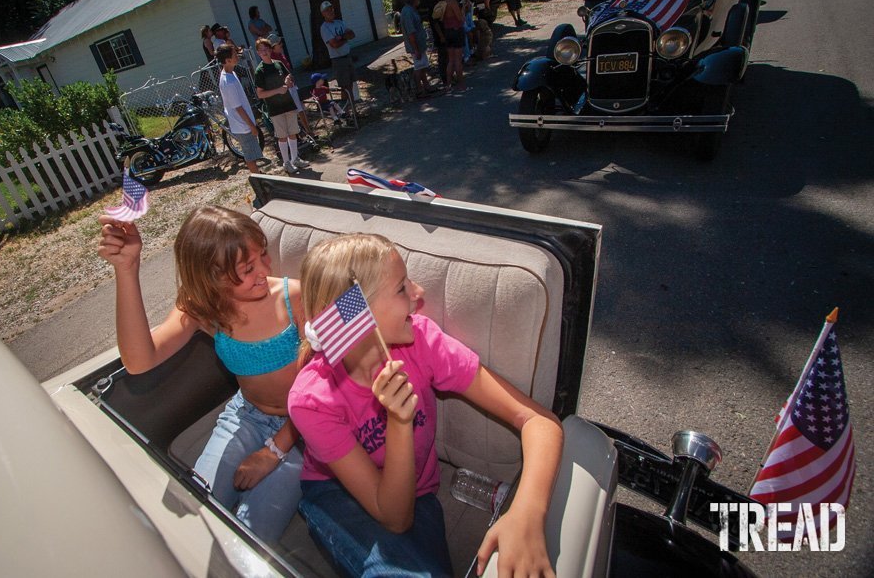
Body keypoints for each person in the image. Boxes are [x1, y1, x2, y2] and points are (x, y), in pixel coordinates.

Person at [287, 234, 563, 578]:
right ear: (357, 314)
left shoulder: (423, 341)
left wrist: (526, 513)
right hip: (334, 492)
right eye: (402, 288)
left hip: (417, 491)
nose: (419, 294)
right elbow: (394, 518)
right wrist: (398, 423)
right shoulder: (311, 399)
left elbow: (538, 421)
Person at [95, 206, 306, 544]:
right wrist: (127, 269)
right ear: (212, 277)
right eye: (248, 268)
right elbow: (139, 360)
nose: (265, 269)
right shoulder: (203, 310)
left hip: (303, 428)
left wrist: (273, 452)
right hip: (246, 417)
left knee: (251, 537)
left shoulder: (294, 298)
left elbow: (324, 390)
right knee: (197, 516)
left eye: (263, 255)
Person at [254, 37, 309, 175]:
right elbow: (260, 94)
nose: (264, 52)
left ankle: (295, 158)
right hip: (275, 108)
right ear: (258, 53)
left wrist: (288, 81)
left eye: (266, 49)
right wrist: (277, 90)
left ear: (270, 49)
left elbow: (289, 77)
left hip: (288, 104)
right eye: (261, 50)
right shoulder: (260, 71)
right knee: (282, 136)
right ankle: (286, 163)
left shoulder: (278, 64)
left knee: (293, 132)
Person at [216, 44, 265, 174]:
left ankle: (259, 176)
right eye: (234, 55)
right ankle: (258, 181)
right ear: (227, 60)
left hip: (243, 123)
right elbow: (237, 107)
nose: (237, 56)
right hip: (242, 125)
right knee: (250, 156)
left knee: (253, 153)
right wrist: (252, 126)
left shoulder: (231, 73)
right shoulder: (228, 81)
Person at [267, 33, 312, 138]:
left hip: (292, 86)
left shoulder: (281, 55)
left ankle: (306, 131)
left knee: (300, 108)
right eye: (279, 43)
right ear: (273, 47)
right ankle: (305, 133)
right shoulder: (272, 59)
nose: (281, 44)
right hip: (286, 88)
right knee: (296, 111)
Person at [319, 1, 358, 105]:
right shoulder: (324, 27)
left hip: (347, 56)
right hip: (338, 59)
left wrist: (342, 38)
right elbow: (334, 44)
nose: (330, 12)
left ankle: (348, 111)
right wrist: (345, 38)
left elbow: (352, 34)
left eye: (331, 9)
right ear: (323, 13)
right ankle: (351, 111)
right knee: (345, 86)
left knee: (349, 84)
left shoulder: (340, 23)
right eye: (327, 10)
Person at [399, 0, 432, 97]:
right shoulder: (407, 12)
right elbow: (411, 32)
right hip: (415, 45)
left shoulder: (411, 10)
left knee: (422, 66)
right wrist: (416, 49)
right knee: (418, 67)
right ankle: (418, 90)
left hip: (419, 44)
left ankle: (426, 86)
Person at [439, 0, 465, 90]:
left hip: (447, 31)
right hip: (456, 30)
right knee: (458, 59)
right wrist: (463, 9)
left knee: (450, 60)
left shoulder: (442, 3)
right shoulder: (452, 2)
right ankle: (461, 85)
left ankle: (448, 84)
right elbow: (460, 18)